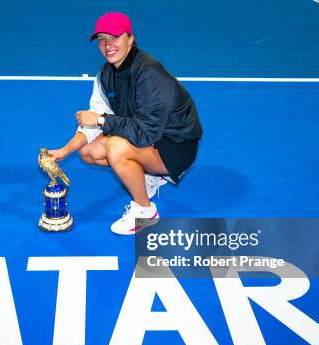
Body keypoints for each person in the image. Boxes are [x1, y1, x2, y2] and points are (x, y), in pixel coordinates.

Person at [46, 12, 203, 235]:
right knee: (88, 152)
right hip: (150, 137)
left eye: (114, 37)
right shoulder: (106, 74)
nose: (107, 45)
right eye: (102, 38)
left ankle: (146, 212)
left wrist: (102, 120)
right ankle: (147, 175)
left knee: (115, 148)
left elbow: (143, 133)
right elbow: (95, 116)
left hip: (176, 146)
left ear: (130, 39)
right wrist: (65, 150)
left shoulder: (150, 75)